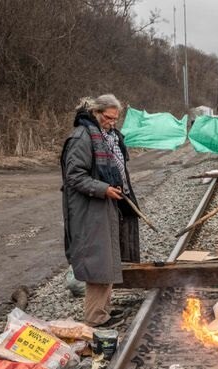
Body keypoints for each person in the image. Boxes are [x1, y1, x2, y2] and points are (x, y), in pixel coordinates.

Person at [60, 94, 141, 328]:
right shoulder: (81, 137)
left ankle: (103, 312)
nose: (112, 123)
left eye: (116, 119)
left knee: (108, 260)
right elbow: (74, 177)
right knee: (98, 262)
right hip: (89, 208)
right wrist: (103, 188)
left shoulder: (106, 136)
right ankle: (95, 318)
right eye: (108, 118)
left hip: (105, 204)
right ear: (96, 113)